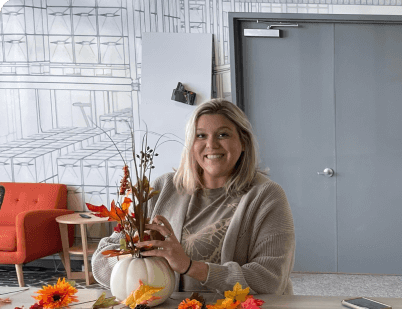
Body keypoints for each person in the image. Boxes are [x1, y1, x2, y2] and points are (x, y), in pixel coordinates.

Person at [92, 99, 296, 295]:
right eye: (200, 136)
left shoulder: (267, 196)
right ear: (190, 144)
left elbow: (270, 281)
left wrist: (189, 266)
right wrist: (132, 254)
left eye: (223, 134)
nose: (211, 144)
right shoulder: (162, 189)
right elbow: (100, 262)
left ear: (243, 142)